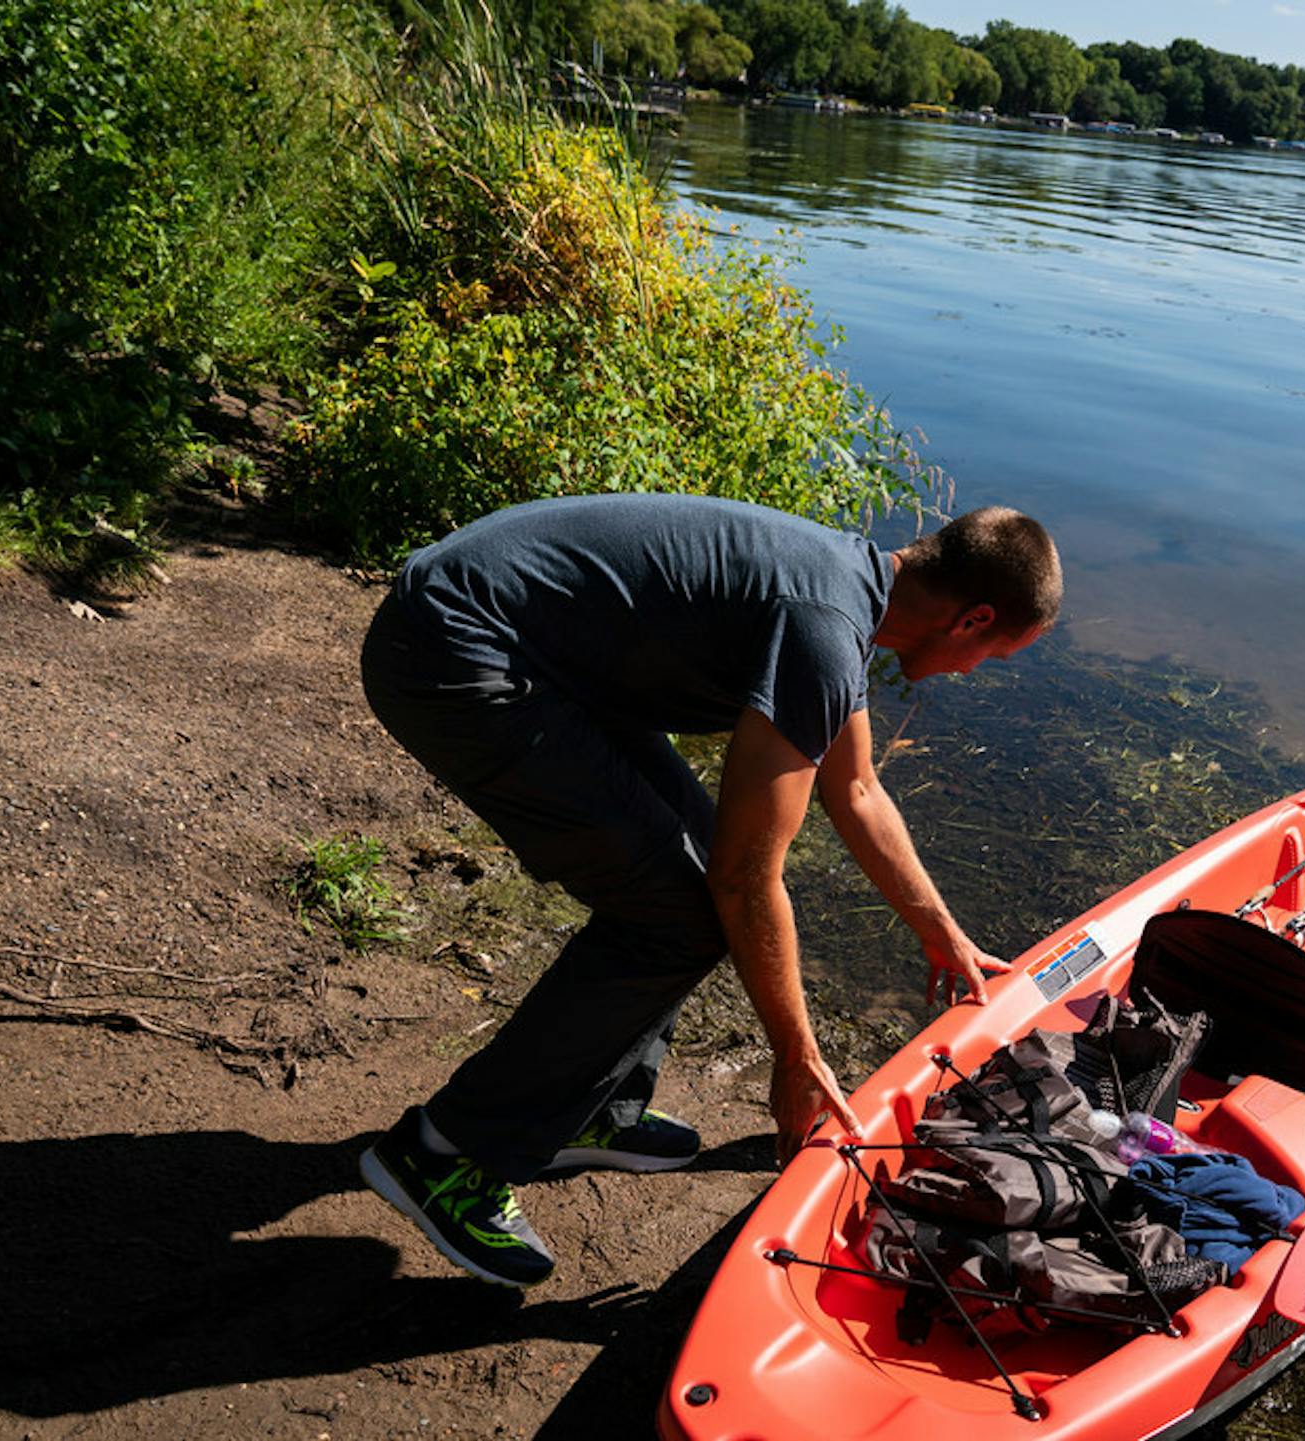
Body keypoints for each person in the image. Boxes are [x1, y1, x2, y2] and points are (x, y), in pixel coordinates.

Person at [354, 493, 1061, 1287]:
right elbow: (743, 877)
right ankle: (445, 1152)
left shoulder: (847, 588)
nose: (978, 671)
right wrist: (795, 1055)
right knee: (679, 912)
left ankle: (596, 1103)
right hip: (454, 648)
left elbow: (855, 787)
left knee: (688, 886)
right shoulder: (824, 627)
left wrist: (941, 931)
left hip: (534, 651)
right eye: (996, 654)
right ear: (971, 619)